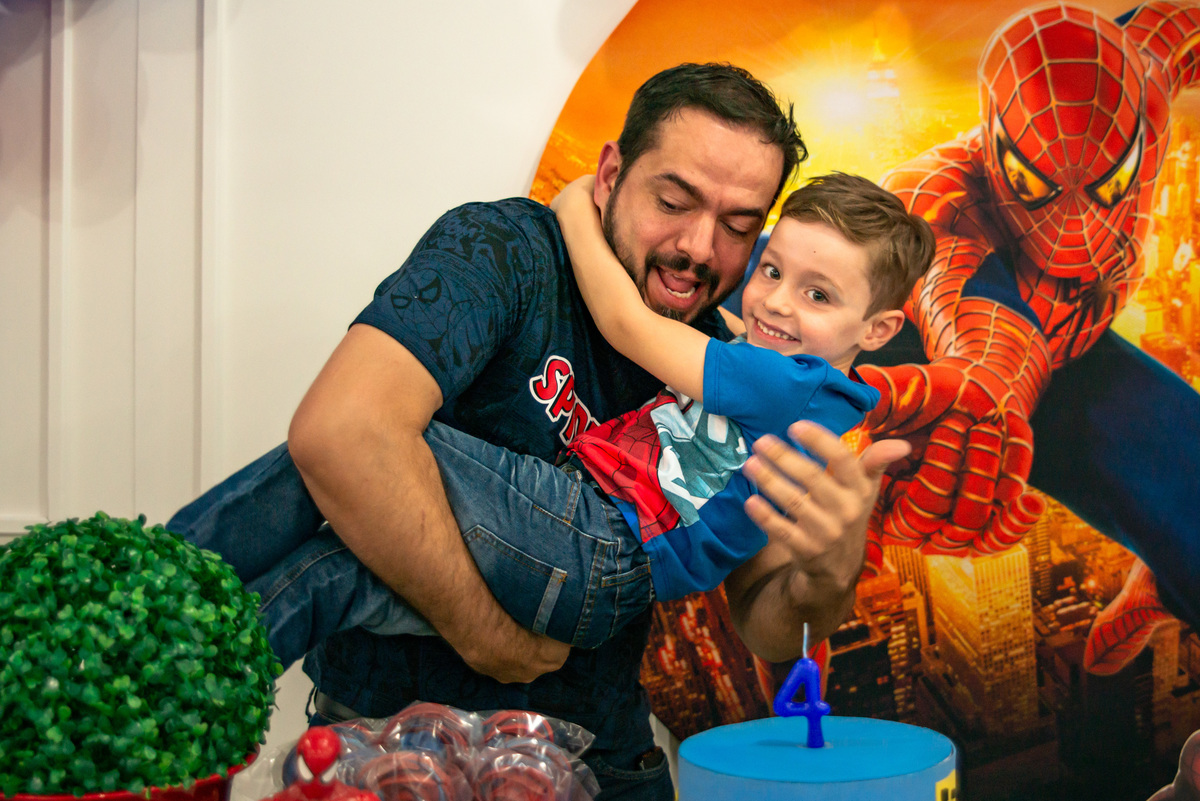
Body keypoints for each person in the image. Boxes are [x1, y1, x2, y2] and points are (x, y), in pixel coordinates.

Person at [169, 63, 910, 800]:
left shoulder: (743, 361)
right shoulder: (505, 254)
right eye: (674, 201)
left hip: (601, 756)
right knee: (329, 565)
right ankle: (160, 662)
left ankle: (151, 595)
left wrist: (828, 569)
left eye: (740, 228)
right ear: (613, 172)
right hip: (387, 747)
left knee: (396, 457)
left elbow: (766, 624)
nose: (698, 246)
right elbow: (343, 433)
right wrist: (489, 633)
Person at [214, 171, 933, 670]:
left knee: (372, 438)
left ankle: (163, 583)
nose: (776, 303)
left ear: (877, 329)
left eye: (818, 294)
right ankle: (197, 678)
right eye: (772, 271)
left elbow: (625, 324)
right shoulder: (799, 387)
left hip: (601, 540)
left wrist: (570, 210)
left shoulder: (786, 382)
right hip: (597, 567)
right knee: (332, 569)